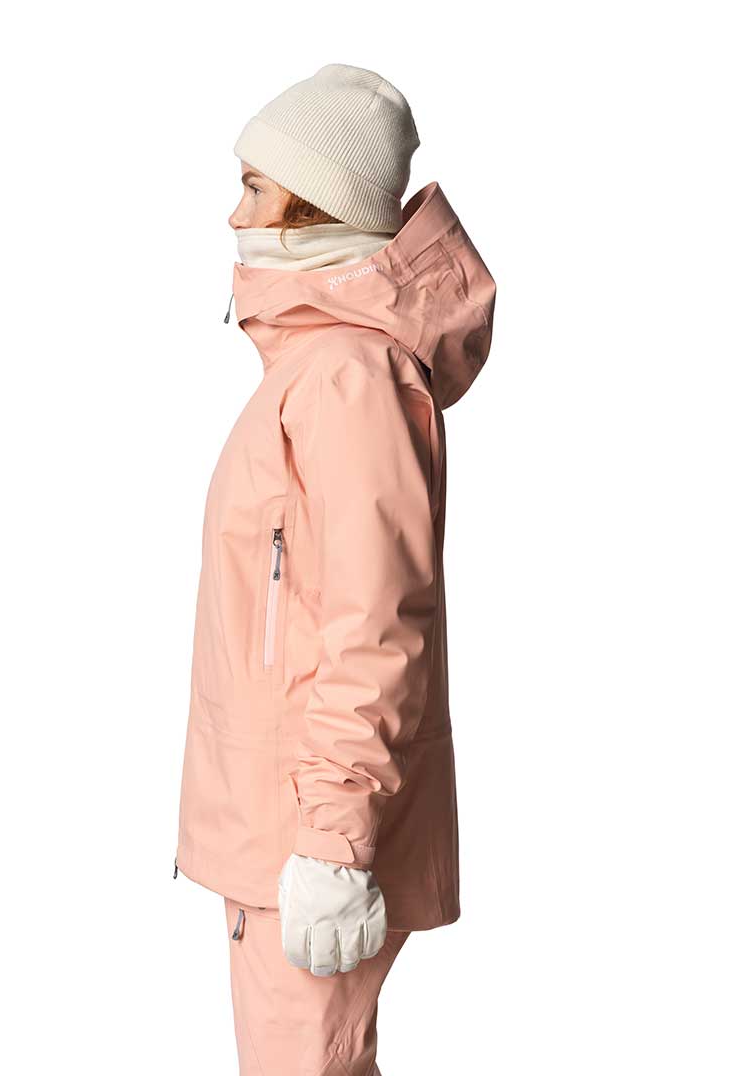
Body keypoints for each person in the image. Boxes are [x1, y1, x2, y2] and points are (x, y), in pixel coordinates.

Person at [175, 63, 496, 1074]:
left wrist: (332, 843)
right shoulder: (317, 369)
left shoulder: (349, 377)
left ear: (318, 207)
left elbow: (376, 624)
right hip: (279, 824)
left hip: (305, 836)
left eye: (256, 188)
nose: (235, 215)